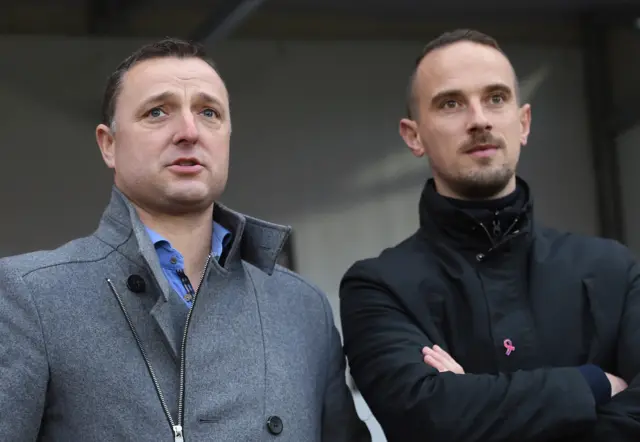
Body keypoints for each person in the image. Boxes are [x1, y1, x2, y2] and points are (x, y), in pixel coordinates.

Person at [0, 38, 370, 442]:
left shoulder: (303, 307)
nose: (189, 132)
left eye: (209, 112)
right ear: (109, 145)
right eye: (157, 112)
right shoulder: (30, 296)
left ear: (227, 136)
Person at [339, 29, 640, 442]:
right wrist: (594, 384)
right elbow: (430, 418)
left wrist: (472, 403)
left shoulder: (613, 270)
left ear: (523, 122)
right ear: (414, 136)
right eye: (451, 103)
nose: (479, 119)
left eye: (496, 98)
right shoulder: (378, 288)